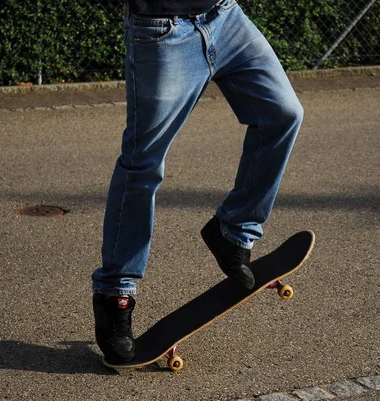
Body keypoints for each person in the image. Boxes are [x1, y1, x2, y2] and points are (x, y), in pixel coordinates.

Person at [91, 0, 304, 367]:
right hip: (163, 31)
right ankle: (115, 294)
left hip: (225, 16)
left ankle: (233, 231)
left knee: (283, 114)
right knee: (143, 165)